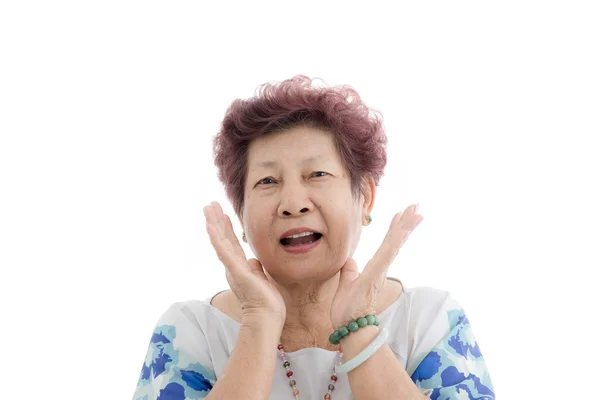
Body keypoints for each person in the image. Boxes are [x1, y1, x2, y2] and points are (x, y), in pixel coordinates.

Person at [132, 75, 496, 400]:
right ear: (240, 212)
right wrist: (258, 320)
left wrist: (360, 329)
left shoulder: (426, 321)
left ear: (365, 197)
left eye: (317, 173)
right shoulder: (189, 333)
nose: (292, 204)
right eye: (268, 181)